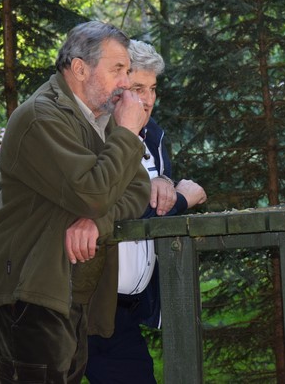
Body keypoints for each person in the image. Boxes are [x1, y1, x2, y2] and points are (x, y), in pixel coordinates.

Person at [0, 21, 152, 383]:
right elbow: (94, 194)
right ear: (80, 68)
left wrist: (97, 222)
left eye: (128, 70)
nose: (126, 82)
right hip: (26, 296)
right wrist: (127, 133)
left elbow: (137, 188)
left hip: (68, 296)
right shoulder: (41, 117)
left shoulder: (100, 121)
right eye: (118, 69)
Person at [84, 40, 207, 384]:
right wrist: (182, 199)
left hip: (125, 312)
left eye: (153, 89)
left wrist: (166, 182)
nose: (148, 99)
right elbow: (113, 214)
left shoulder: (153, 135)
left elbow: (153, 202)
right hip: (85, 302)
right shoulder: (92, 136)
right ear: (116, 87)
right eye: (138, 88)